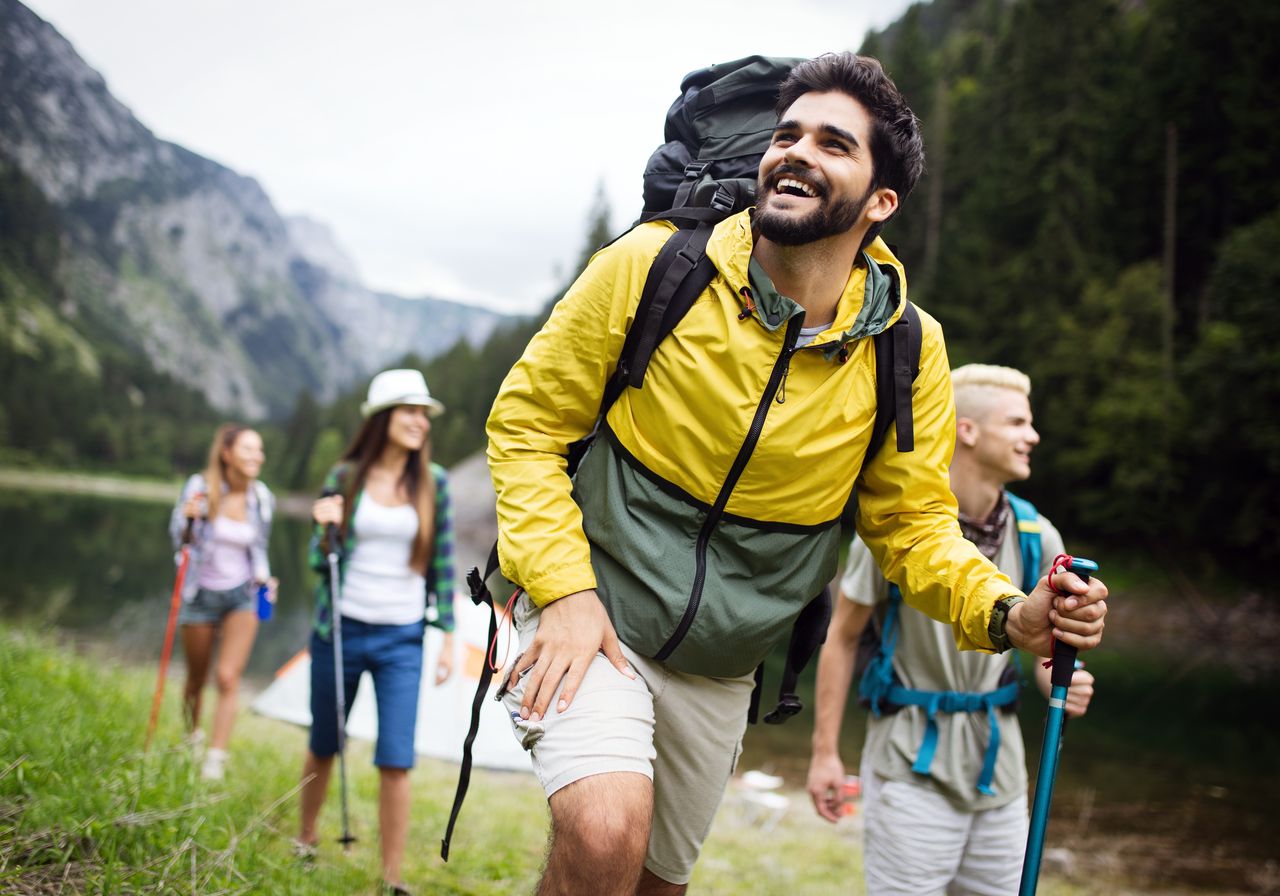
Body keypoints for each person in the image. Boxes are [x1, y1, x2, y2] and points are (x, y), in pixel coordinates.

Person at [485, 52, 1110, 896]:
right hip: (593, 609)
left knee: (653, 884)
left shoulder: (906, 347)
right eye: (786, 134)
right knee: (603, 836)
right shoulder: (655, 264)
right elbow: (527, 425)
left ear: (881, 202)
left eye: (832, 143)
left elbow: (913, 527)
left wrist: (1010, 613)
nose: (795, 152)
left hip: (721, 663)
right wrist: (562, 590)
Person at [806, 363, 1096, 895]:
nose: (1032, 436)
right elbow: (842, 636)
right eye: (1017, 423)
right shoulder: (900, 533)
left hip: (1000, 772)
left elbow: (1043, 656)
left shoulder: (1038, 535)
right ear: (968, 430)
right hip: (909, 762)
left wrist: (1061, 680)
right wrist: (826, 751)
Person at [296, 369, 456, 896]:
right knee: (324, 741)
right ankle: (306, 837)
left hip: (402, 638)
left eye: (423, 413)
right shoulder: (345, 478)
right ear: (383, 418)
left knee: (396, 757)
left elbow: (444, 563)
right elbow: (320, 563)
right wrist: (322, 530)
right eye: (409, 410)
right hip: (339, 630)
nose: (419, 420)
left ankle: (392, 879)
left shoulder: (434, 483)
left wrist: (448, 635)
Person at [169, 422, 275, 781]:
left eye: (259, 450)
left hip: (242, 596)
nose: (256, 456)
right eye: (248, 449)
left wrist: (265, 577)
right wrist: (188, 519)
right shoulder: (200, 488)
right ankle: (191, 738)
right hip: (199, 594)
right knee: (196, 678)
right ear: (227, 453)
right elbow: (179, 539)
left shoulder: (261, 497)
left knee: (228, 677)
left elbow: (259, 547)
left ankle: (216, 757)